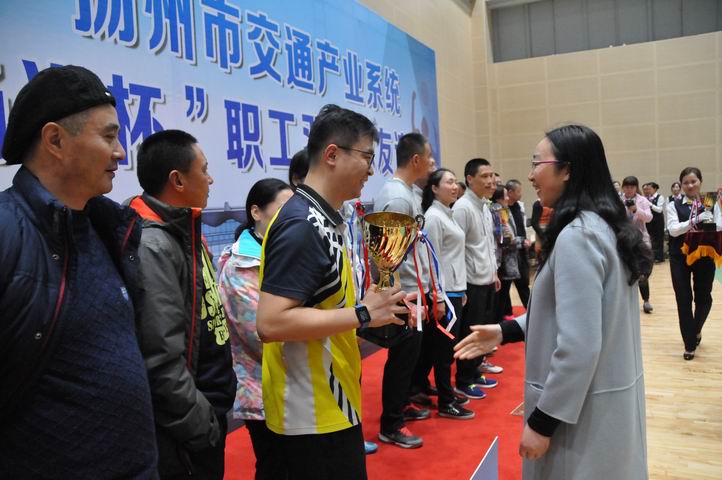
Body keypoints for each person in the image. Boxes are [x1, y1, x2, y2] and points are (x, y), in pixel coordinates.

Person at [455, 124, 652, 480]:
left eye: (537, 163)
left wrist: (542, 423)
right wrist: (506, 330)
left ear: (567, 170)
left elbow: (579, 345)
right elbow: (575, 314)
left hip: (579, 417)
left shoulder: (578, 236)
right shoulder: (604, 225)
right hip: (606, 406)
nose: (530, 175)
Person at [0, 65, 157, 478]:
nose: (120, 152)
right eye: (108, 136)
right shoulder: (7, 233)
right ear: (55, 140)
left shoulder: (108, 228)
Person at [256, 104, 412, 479]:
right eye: (366, 157)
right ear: (332, 155)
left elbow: (324, 307)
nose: (371, 170)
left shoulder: (325, 218)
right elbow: (271, 323)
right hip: (311, 415)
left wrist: (373, 307)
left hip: (331, 402)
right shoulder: (302, 224)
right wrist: (363, 313)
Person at [130, 130, 237, 479]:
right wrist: (200, 425)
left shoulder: (184, 228)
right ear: (177, 180)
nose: (210, 179)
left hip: (208, 409)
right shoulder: (154, 244)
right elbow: (160, 358)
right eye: (203, 170)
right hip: (191, 426)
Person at [217, 179, 293, 479]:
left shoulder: (284, 253)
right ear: (256, 212)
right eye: (283, 210)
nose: (291, 218)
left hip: (295, 383)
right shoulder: (240, 267)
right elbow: (264, 334)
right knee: (276, 466)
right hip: (262, 389)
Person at [374, 132, 434, 449]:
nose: (433, 163)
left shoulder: (407, 193)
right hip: (404, 293)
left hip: (413, 289)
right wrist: (399, 299)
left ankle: (402, 405)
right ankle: (391, 424)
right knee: (401, 358)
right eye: (430, 156)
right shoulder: (397, 197)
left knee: (409, 357)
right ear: (416, 159)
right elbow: (386, 257)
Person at [414, 168, 475, 420]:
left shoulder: (447, 214)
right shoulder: (433, 217)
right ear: (434, 188)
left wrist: (462, 289)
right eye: (448, 182)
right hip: (445, 293)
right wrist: (438, 297)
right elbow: (431, 259)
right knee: (444, 349)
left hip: (454, 289)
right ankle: (446, 402)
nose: (454, 186)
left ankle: (425, 388)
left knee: (436, 346)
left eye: (454, 182)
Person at [452, 158, 502, 400]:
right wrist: (461, 286)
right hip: (471, 282)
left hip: (486, 278)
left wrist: (494, 273)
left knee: (482, 328)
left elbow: (487, 244)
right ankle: (464, 380)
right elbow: (457, 249)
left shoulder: (484, 205)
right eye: (484, 176)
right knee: (469, 332)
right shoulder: (462, 207)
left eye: (492, 175)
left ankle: (474, 371)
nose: (490, 181)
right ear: (470, 179)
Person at [666, 167, 722, 361]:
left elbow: (720, 225)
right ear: (681, 185)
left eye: (693, 181)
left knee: (704, 298)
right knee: (683, 298)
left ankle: (696, 329)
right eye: (686, 183)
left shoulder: (710, 201)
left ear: (700, 182)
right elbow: (673, 230)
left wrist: (710, 222)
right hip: (679, 256)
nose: (690, 185)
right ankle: (689, 344)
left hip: (704, 254)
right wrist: (695, 220)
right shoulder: (673, 204)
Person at [621, 176, 654, 314]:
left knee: (642, 270)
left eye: (632, 187)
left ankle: (646, 300)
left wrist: (636, 210)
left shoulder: (642, 200)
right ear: (623, 187)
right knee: (625, 270)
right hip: (623, 238)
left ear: (636, 188)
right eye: (627, 187)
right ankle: (626, 301)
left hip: (640, 239)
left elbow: (649, 217)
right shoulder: (617, 200)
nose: (629, 189)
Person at [491, 185, 520, 324]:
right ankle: (498, 322)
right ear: (499, 198)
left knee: (502, 294)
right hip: (503, 258)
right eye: (505, 195)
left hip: (504, 257)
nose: (508, 198)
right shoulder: (497, 210)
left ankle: (500, 319)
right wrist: (516, 240)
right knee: (501, 295)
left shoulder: (502, 210)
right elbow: (502, 236)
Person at [507, 179, 531, 308]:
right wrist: (520, 241)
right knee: (505, 288)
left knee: (524, 284)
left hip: (522, 250)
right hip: (510, 252)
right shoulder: (503, 209)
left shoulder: (519, 206)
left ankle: (530, 311)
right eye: (518, 191)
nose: (521, 194)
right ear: (510, 192)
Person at [644, 182, 666, 263]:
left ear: (655, 189)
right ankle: (652, 257)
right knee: (650, 238)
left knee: (659, 238)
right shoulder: (647, 198)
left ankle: (659, 257)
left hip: (658, 221)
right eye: (647, 189)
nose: (648, 190)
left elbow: (659, 210)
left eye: (650, 189)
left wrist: (650, 204)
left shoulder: (660, 197)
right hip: (649, 221)